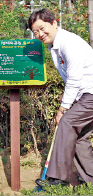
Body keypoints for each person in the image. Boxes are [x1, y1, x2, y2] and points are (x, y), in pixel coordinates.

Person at [28, 8, 93, 187]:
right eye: (35, 32)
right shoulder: (54, 46)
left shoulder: (68, 43)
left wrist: (63, 108)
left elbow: (74, 78)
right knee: (79, 137)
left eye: (42, 28)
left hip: (91, 93)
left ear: (55, 23)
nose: (40, 34)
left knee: (66, 122)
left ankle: (57, 179)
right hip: (85, 95)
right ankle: (91, 179)